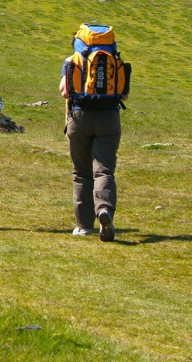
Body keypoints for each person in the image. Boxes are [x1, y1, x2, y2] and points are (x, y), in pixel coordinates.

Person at [59, 24, 130, 241]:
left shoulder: (72, 61)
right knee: (104, 171)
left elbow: (64, 92)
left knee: (81, 172)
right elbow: (124, 95)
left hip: (80, 118)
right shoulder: (114, 59)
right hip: (109, 118)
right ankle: (104, 211)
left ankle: (83, 226)